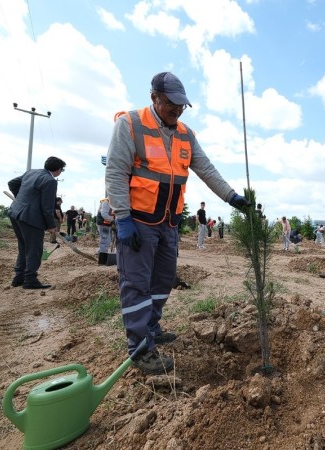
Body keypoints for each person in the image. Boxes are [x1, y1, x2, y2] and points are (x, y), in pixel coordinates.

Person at [105, 71, 249, 374]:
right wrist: (122, 217)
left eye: (182, 106)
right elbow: (116, 173)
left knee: (162, 280)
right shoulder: (130, 124)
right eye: (172, 104)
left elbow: (206, 169)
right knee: (136, 284)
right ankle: (140, 350)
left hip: (168, 223)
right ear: (154, 98)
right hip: (139, 223)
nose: (177, 111)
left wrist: (232, 197)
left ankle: (152, 328)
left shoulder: (185, 134)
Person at [7, 156, 66, 289]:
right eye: (62, 170)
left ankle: (19, 277)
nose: (61, 172)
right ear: (57, 170)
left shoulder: (31, 172)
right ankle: (30, 280)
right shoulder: (50, 181)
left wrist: (22, 200)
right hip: (30, 219)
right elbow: (47, 207)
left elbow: (12, 183)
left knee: (23, 247)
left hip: (15, 213)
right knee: (34, 250)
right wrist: (51, 226)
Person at [97, 197, 114, 264]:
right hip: (103, 224)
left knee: (106, 239)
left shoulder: (110, 202)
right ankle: (102, 260)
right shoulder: (106, 202)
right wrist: (113, 221)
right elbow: (104, 214)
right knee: (105, 240)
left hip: (106, 223)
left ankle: (100, 253)